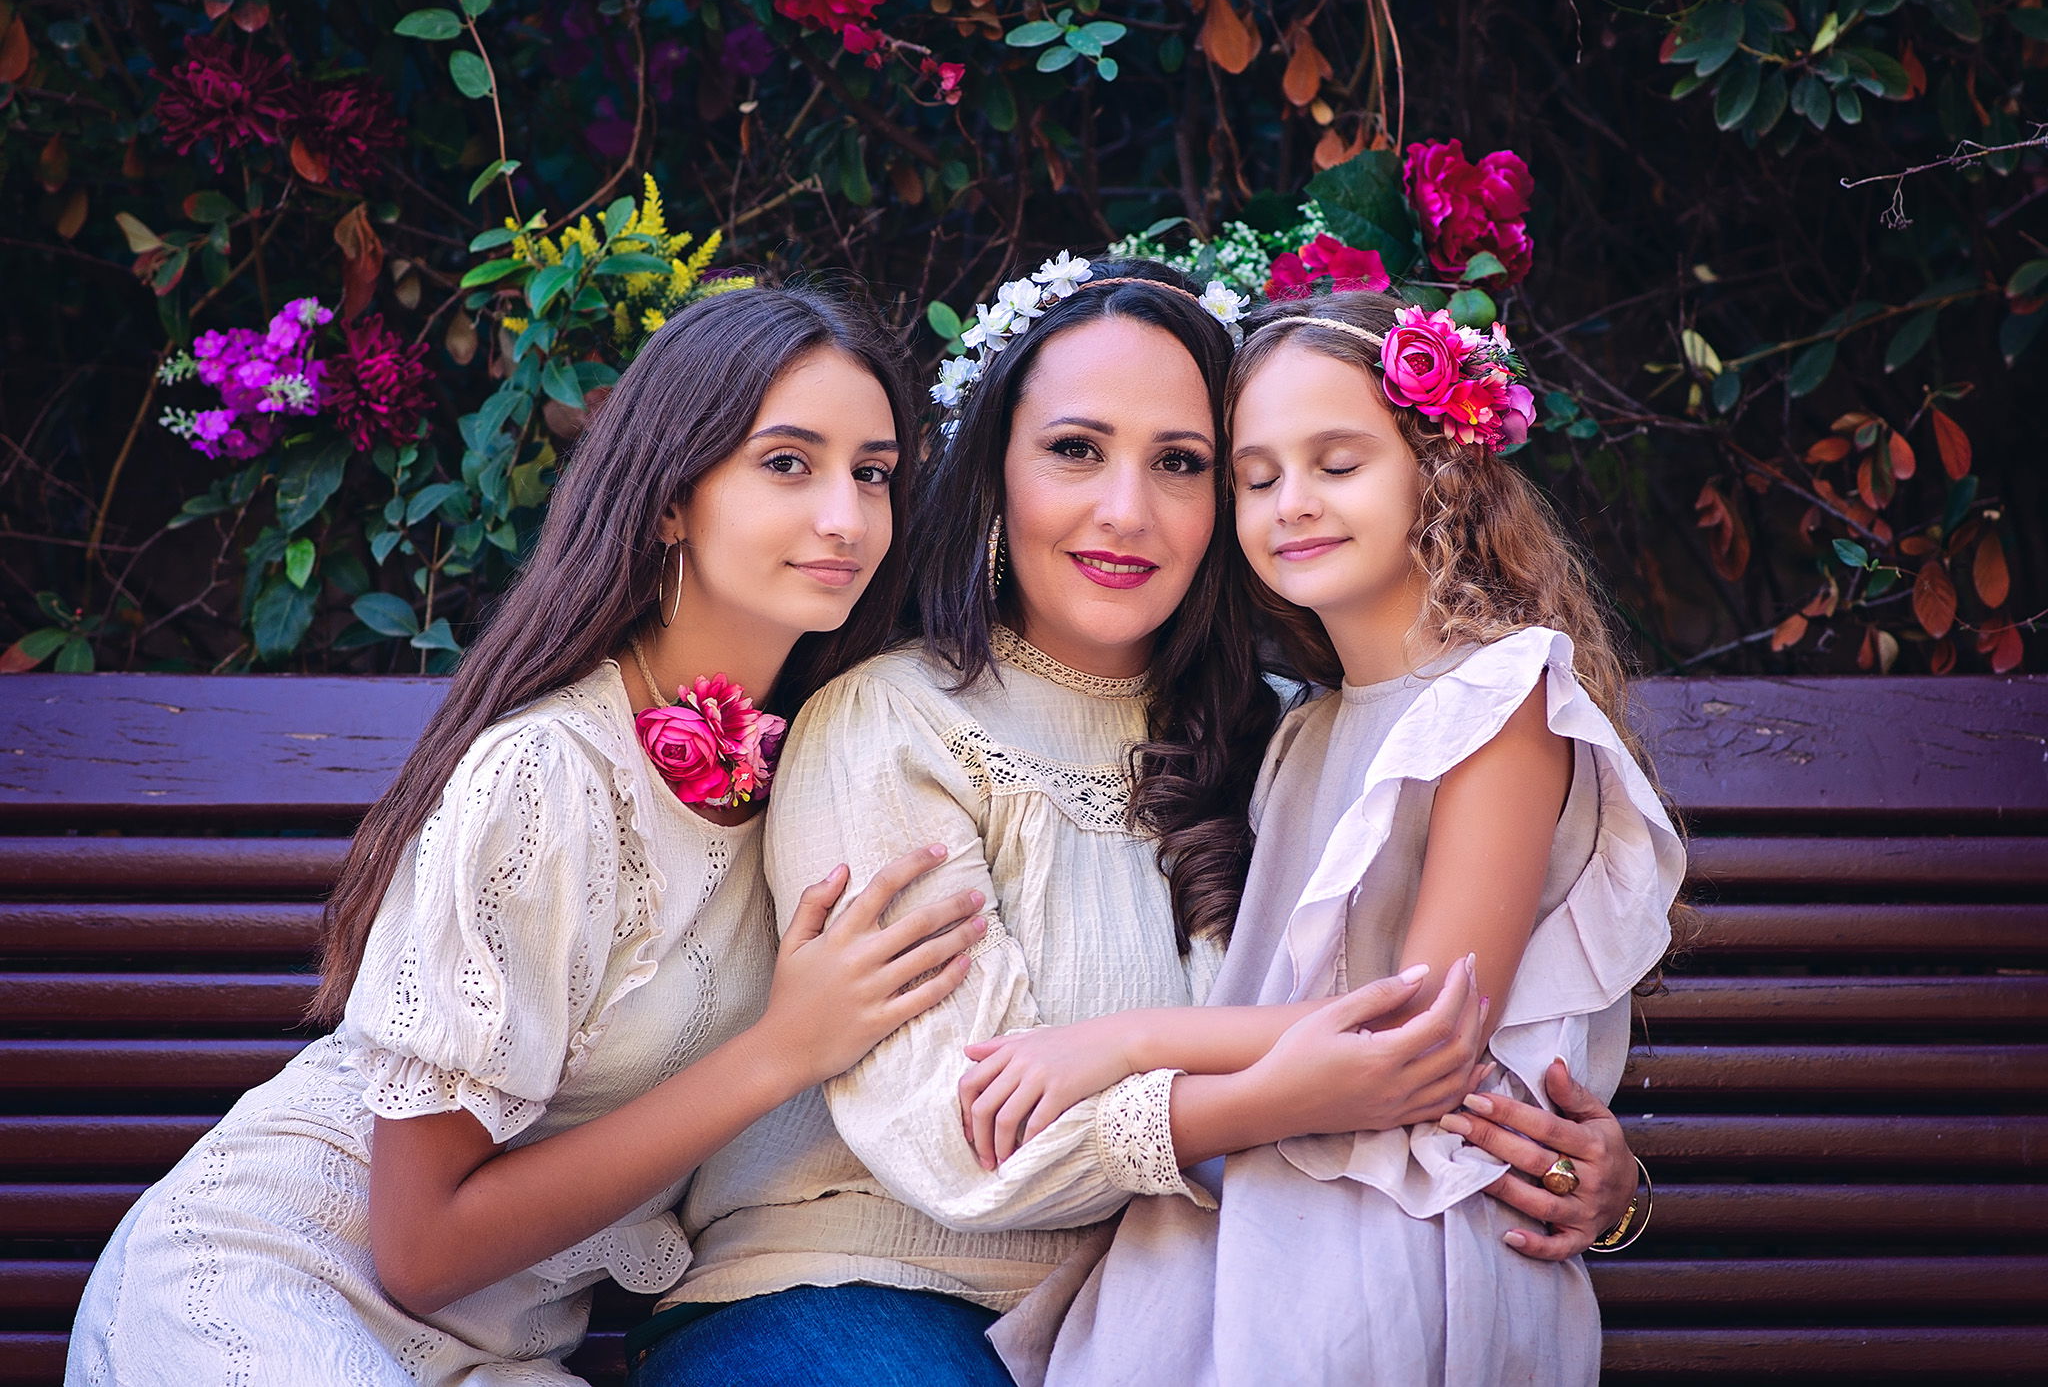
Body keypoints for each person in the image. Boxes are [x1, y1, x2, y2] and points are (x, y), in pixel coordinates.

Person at [632, 260, 1647, 1387]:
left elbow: (1433, 1029)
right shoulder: (894, 724)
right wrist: (1276, 1095)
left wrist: (1584, 1181)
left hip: (1184, 1302)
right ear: (993, 474)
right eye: (1073, 449)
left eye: (1180, 463)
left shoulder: (1286, 737)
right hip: (866, 1288)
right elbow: (962, 1144)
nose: (1126, 509)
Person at [65, 287, 986, 1386]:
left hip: (502, 1352)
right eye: (785, 463)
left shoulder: (825, 763)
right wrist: (780, 1049)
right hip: (276, 1283)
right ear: (667, 503)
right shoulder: (547, 775)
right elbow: (419, 1249)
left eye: (871, 472)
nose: (844, 516)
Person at [959, 290, 1685, 1385]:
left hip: (1404, 1227)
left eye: (1336, 464)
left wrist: (1116, 1043)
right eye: (1255, 478)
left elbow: (1418, 1027)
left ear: (1436, 474)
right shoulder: (1301, 725)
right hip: (1257, 1198)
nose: (1290, 504)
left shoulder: (1501, 700)